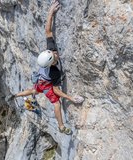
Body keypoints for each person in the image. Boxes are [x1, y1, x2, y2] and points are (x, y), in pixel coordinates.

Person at [6, 0, 84, 134]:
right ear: (51, 62)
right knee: (56, 104)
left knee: (33, 90)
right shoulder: (54, 72)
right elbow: (56, 91)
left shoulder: (49, 53)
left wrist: (50, 12)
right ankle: (61, 126)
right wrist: (70, 98)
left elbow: (48, 31)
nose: (55, 53)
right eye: (54, 56)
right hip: (46, 85)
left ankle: (16, 94)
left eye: (54, 53)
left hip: (40, 81)